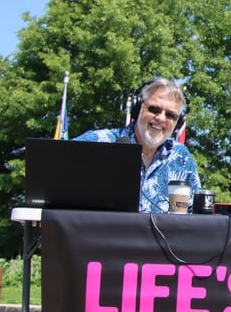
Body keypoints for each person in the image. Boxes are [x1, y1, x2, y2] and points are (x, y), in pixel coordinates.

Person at [74, 77, 201, 213]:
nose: (161, 118)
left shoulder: (181, 157)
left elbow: (197, 215)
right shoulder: (98, 141)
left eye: (170, 115)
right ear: (138, 108)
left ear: (178, 122)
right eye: (154, 109)